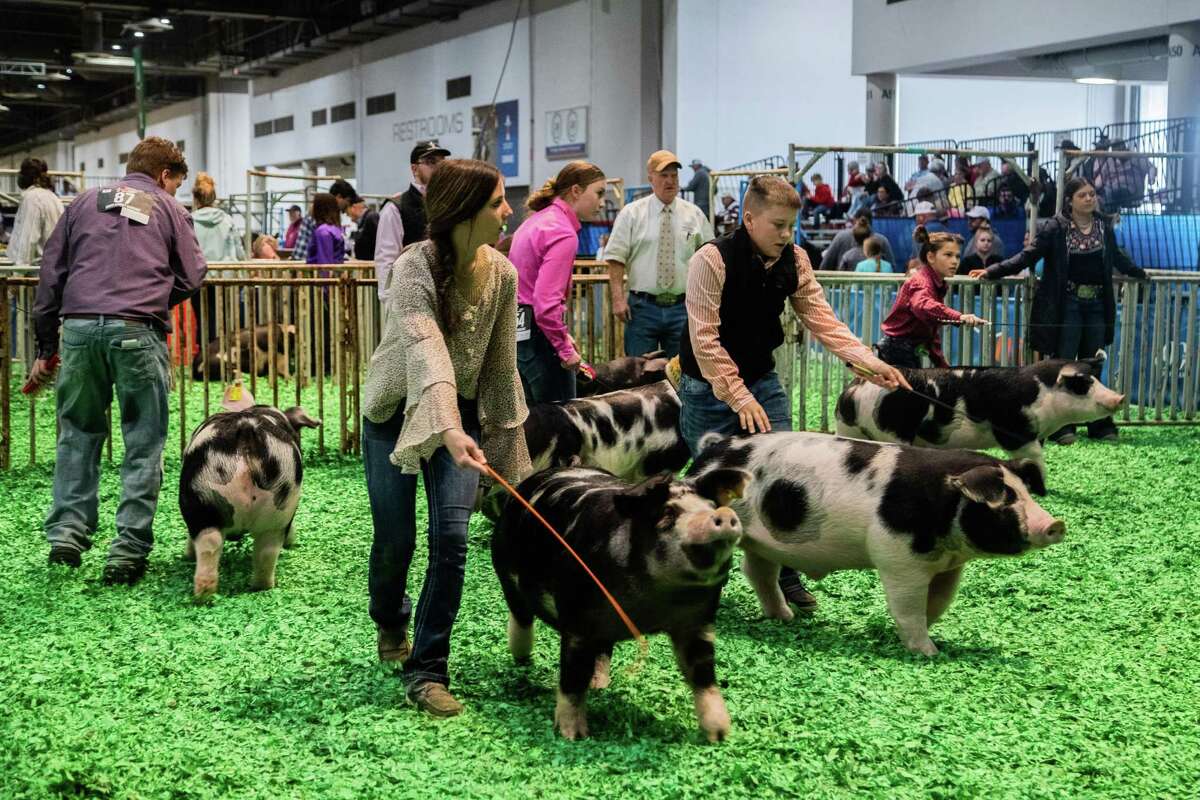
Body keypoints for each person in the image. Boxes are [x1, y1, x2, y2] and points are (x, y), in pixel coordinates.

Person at [677, 175, 909, 612]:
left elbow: (823, 321)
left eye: (791, 226)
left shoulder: (796, 261)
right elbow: (704, 339)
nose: (787, 235)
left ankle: (786, 574)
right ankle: (701, 578)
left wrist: (869, 363)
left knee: (784, 474)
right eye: (778, 225)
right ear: (749, 219)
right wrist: (739, 397)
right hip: (707, 384)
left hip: (762, 377)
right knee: (712, 483)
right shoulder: (711, 259)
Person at [362, 158, 530, 717]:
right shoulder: (414, 266)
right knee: (396, 540)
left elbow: (503, 369)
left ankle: (428, 668)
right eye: (497, 202)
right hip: (393, 411)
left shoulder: (504, 274)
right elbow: (426, 350)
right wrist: (450, 428)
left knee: (453, 541)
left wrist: (514, 466)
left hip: (460, 416)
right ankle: (390, 616)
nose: (509, 211)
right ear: (463, 212)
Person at [31, 136, 205, 583]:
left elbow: (51, 276)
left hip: (80, 330)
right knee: (143, 444)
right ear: (165, 175)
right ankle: (127, 552)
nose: (175, 193)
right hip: (137, 330)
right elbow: (192, 273)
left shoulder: (83, 202)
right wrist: (153, 299)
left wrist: (46, 347)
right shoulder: (167, 208)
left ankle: (66, 537)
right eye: (176, 184)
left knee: (77, 434)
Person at [970, 176, 1147, 443]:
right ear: (1070, 201)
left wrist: (1139, 273)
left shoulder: (1103, 226)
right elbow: (1027, 256)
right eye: (1083, 195)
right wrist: (993, 270)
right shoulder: (1055, 227)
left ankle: (1099, 422)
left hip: (1098, 303)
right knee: (1065, 364)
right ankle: (1062, 426)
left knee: (1094, 361)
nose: (1089, 198)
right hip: (1067, 305)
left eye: (1092, 194)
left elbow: (1118, 257)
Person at [509, 160, 607, 404]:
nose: (602, 203)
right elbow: (545, 304)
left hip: (520, 334)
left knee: (531, 426)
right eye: (599, 193)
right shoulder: (562, 232)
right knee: (561, 429)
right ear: (576, 191)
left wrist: (562, 337)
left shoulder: (534, 221)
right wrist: (564, 348)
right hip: (541, 342)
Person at [605, 150, 713, 358]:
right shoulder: (631, 214)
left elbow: (710, 257)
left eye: (674, 176)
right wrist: (618, 300)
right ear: (650, 178)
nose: (670, 181)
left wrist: (706, 302)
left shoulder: (695, 215)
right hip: (642, 309)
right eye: (663, 175)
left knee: (682, 377)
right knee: (639, 376)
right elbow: (616, 258)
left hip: (683, 308)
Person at [875, 227, 987, 369]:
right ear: (931, 257)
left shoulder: (937, 284)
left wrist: (942, 366)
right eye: (948, 255)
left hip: (903, 351)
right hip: (897, 352)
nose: (955, 261)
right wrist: (960, 317)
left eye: (957, 256)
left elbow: (930, 333)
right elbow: (922, 306)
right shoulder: (922, 282)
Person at [374, 140, 451, 301]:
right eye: (431, 162)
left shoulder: (449, 203)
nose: (438, 169)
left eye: (442, 164)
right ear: (414, 168)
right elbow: (386, 258)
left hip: (446, 295)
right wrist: (388, 300)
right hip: (412, 297)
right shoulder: (395, 208)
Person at [190, 172, 244, 342]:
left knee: (204, 321)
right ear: (214, 197)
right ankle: (224, 359)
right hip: (226, 279)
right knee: (227, 322)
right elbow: (239, 251)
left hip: (200, 280)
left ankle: (205, 360)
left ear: (195, 198)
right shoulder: (227, 220)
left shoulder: (189, 221)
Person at [7, 157, 63, 267]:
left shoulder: (32, 199)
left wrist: (18, 274)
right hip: (52, 268)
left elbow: (28, 240)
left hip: (36, 272)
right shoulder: (53, 197)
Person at [820, 209, 896, 270]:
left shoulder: (841, 239)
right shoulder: (882, 240)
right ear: (871, 222)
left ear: (854, 220)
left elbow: (825, 265)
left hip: (844, 287)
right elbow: (892, 269)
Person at [306, 193, 345, 266]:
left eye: (313, 203)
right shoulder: (336, 228)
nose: (311, 207)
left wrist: (325, 277)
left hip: (323, 274)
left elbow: (325, 262)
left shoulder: (323, 231)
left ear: (320, 207)